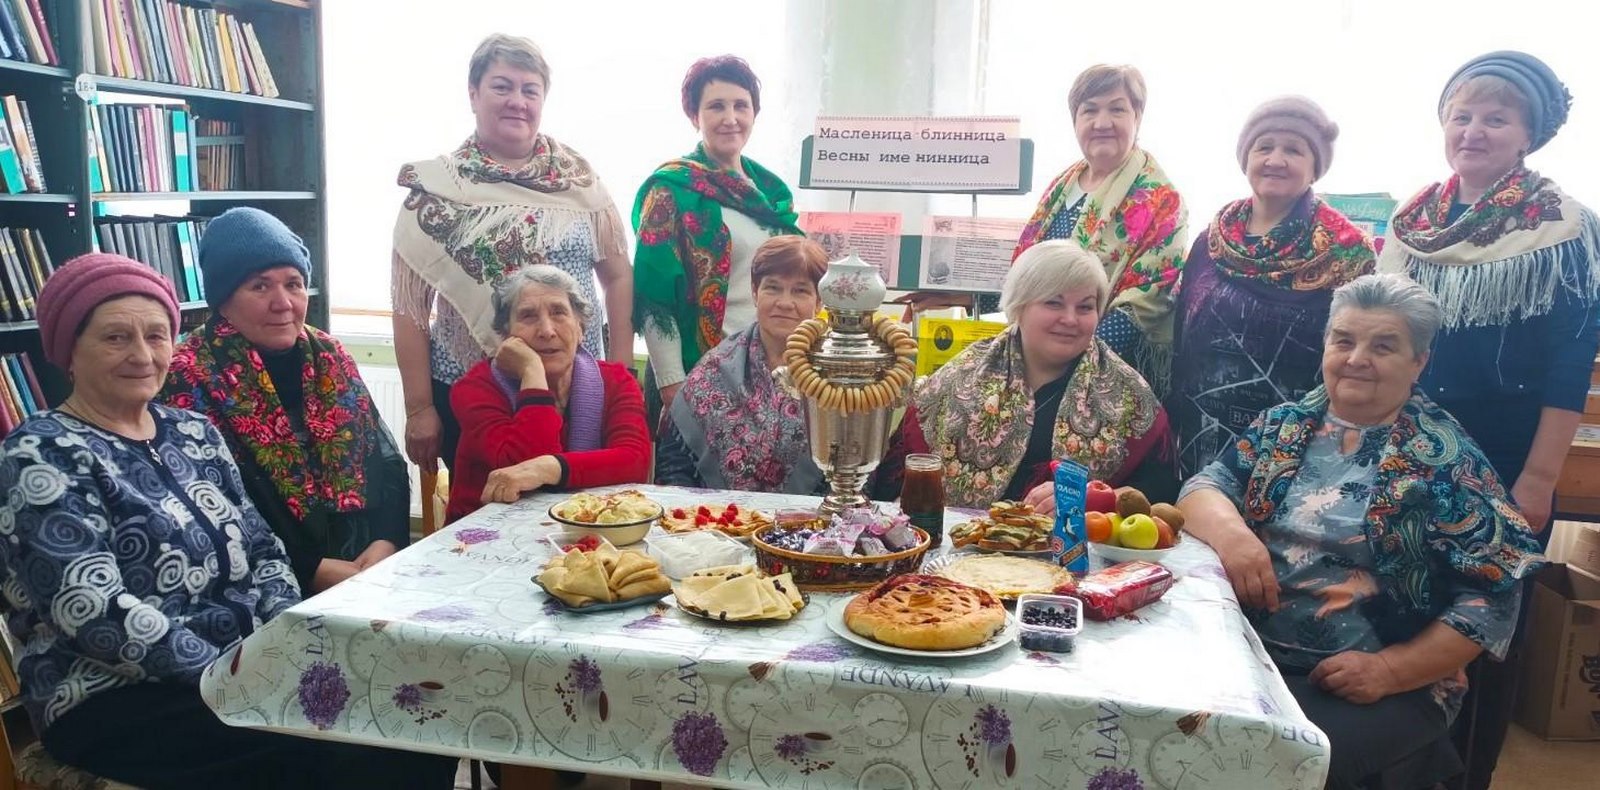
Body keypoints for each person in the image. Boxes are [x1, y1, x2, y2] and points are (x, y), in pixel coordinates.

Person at [0, 254, 455, 789]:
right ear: (68, 351)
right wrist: (238, 670)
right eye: (115, 338)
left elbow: (264, 552)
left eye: (156, 335)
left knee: (421, 705)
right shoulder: (41, 454)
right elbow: (93, 613)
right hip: (114, 697)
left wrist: (280, 647)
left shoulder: (192, 432)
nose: (142, 355)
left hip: (246, 664)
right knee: (364, 751)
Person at [1177, 274, 1545, 790]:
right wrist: (1233, 535)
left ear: (1419, 362)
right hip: (1248, 656)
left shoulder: (1447, 460)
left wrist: (1392, 670)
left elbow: (1495, 599)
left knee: (1258, 766)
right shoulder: (1283, 425)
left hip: (1380, 682)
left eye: (1383, 346)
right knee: (1163, 731)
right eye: (1343, 340)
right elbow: (1203, 489)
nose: (1356, 359)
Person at [1377, 51, 1599, 789]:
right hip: (1411, 450)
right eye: (1462, 116)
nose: (1474, 130)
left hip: (1506, 460)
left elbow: (1570, 366)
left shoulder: (1563, 227)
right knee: (1402, 612)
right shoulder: (1414, 223)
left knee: (1483, 631)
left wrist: (1539, 479)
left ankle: (1466, 777)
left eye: (1496, 118)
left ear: (1529, 134)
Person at [393, 33, 633, 478]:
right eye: (502, 87)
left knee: (581, 501)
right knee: (491, 505)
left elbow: (618, 276)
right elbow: (410, 307)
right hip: (474, 394)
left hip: (577, 388)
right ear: (473, 94)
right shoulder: (436, 190)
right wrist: (419, 407)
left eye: (530, 90)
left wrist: (620, 373)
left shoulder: (581, 182)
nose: (517, 102)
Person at [162, 208, 409, 595]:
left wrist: (386, 541)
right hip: (260, 581)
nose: (283, 303)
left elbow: (386, 460)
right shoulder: (185, 377)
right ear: (223, 300)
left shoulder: (328, 355)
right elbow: (201, 507)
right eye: (260, 286)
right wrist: (309, 567)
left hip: (366, 565)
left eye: (294, 284)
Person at [912, 65, 1187, 392]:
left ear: (1137, 117)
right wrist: (971, 296)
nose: (1102, 123)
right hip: (1040, 364)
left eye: (1117, 109)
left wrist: (1072, 366)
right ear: (1075, 120)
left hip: (1106, 377)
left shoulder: (1161, 200)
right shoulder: (1064, 184)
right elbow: (1039, 275)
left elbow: (1146, 302)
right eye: (1089, 110)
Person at [874, 240, 1172, 510]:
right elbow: (895, 479)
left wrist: (1094, 498)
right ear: (1019, 306)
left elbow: (1161, 493)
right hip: (960, 546)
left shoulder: (1129, 396)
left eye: (1085, 307)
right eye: (1053, 303)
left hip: (1076, 549)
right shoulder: (958, 378)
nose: (1070, 319)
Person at [1169, 97, 1375, 479]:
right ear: (1246, 158)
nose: (1275, 160)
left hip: (1294, 447)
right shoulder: (1211, 240)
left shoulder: (1347, 251)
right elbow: (1181, 337)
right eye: (1264, 147)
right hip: (1200, 436)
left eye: (1293, 150)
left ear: (1315, 167)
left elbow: (1355, 357)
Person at [632, 55, 804, 425]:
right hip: (701, 379)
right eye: (716, 106)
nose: (730, 118)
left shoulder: (770, 193)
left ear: (755, 113)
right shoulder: (671, 190)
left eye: (741, 105)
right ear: (694, 115)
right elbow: (653, 301)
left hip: (771, 374)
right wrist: (674, 388)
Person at [448, 266, 650, 522]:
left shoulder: (617, 382)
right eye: (528, 316)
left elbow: (634, 461)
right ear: (506, 335)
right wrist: (532, 373)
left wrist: (549, 468)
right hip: (486, 533)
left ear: (580, 328)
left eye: (559, 312)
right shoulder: (476, 389)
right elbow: (522, 468)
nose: (546, 330)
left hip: (586, 529)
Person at [656, 235, 827, 493]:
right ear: (755, 292)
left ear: (819, 301)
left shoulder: (837, 377)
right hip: (714, 515)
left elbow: (856, 470)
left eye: (800, 291)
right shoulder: (714, 370)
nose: (784, 302)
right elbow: (675, 466)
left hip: (814, 516)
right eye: (773, 288)